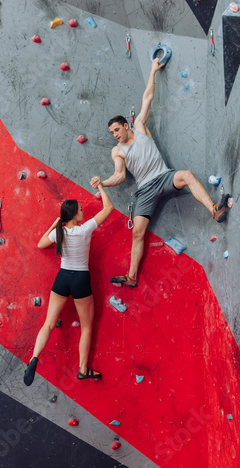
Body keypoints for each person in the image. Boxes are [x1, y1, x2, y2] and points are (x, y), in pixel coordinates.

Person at [90, 58, 230, 288]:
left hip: (164, 177)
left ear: (126, 125)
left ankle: (214, 210)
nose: (115, 134)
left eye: (117, 129)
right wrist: (102, 182)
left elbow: (147, 97)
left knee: (186, 174)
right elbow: (120, 176)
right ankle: (132, 276)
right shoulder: (118, 151)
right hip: (144, 191)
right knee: (137, 233)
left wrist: (153, 70)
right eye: (112, 132)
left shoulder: (141, 126)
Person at [23, 183, 114, 386]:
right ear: (74, 215)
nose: (83, 212)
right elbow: (108, 208)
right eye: (80, 210)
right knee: (87, 326)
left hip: (63, 278)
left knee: (48, 324)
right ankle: (82, 370)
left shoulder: (59, 233)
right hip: (80, 279)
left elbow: (40, 243)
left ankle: (34, 357)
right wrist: (100, 185)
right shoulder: (85, 229)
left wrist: (56, 223)